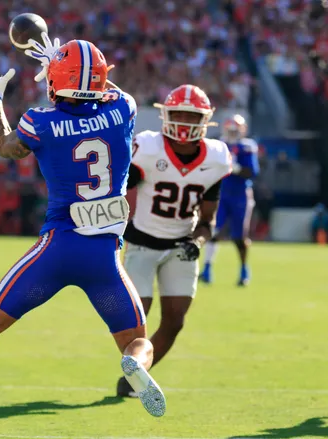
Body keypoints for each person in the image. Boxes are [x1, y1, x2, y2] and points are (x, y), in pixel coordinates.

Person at [0, 36, 165, 422]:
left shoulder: (40, 121)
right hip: (104, 259)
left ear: (54, 82)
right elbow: (109, 90)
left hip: (57, 249)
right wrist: (71, 68)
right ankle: (137, 369)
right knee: (138, 340)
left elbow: (4, 145)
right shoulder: (123, 109)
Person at [115, 85, 232, 397]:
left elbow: (208, 221)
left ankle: (134, 376)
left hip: (181, 246)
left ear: (205, 120)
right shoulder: (148, 148)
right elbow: (120, 191)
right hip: (141, 242)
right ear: (165, 115)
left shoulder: (216, 158)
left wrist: (199, 241)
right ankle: (135, 369)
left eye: (190, 115)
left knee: (175, 322)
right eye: (177, 113)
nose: (182, 120)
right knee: (136, 321)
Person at [200, 114, 259, 286]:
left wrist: (236, 167)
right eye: (230, 129)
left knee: (239, 236)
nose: (233, 133)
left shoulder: (247, 147)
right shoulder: (219, 145)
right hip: (221, 193)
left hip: (240, 194)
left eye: (235, 130)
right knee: (213, 232)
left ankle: (243, 270)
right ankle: (207, 269)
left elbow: (252, 172)